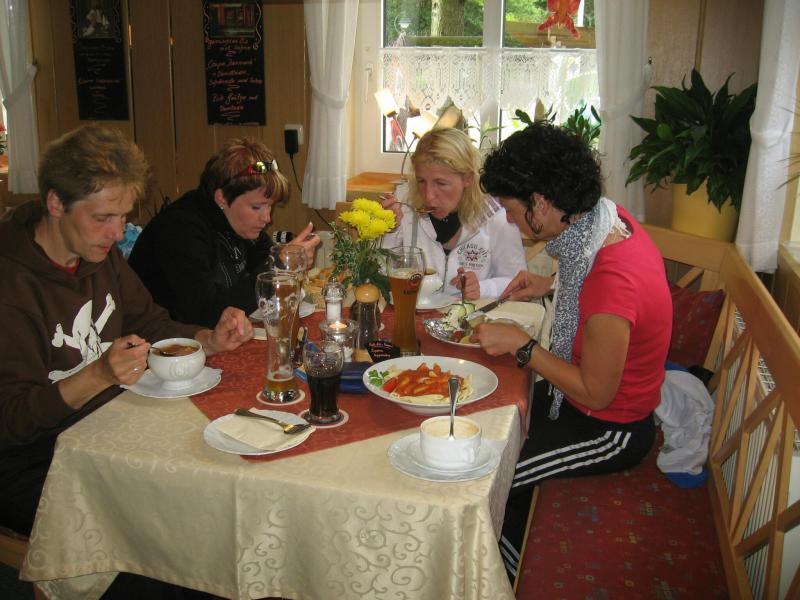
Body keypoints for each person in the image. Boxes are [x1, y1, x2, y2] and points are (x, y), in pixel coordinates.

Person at [0, 125, 250, 598]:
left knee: (213, 499)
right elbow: (11, 421)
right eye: (103, 218)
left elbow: (151, 324)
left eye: (123, 217)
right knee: (164, 548)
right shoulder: (11, 284)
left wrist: (207, 340)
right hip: (32, 460)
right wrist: (94, 375)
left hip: (108, 430)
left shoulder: (99, 256)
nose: (118, 233)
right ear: (56, 203)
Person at [474, 121, 672, 582]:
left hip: (611, 427)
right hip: (578, 400)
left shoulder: (611, 279)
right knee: (488, 416)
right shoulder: (604, 220)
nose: (509, 220)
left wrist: (524, 346)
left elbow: (597, 392)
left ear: (541, 203)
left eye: (511, 209)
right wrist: (548, 284)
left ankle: (500, 580)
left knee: (488, 479)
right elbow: (596, 293)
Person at [129, 138, 320, 327]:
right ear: (221, 198)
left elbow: (264, 261)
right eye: (256, 207)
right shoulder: (180, 231)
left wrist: (286, 260)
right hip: (161, 340)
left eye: (270, 206)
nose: (267, 218)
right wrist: (279, 267)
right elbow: (208, 313)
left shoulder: (238, 221)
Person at [380, 127, 527, 300]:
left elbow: (519, 282)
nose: (428, 195)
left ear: (467, 179)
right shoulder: (403, 203)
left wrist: (482, 288)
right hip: (413, 312)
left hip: (472, 315)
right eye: (421, 181)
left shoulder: (496, 214)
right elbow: (379, 277)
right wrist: (390, 231)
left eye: (440, 183)